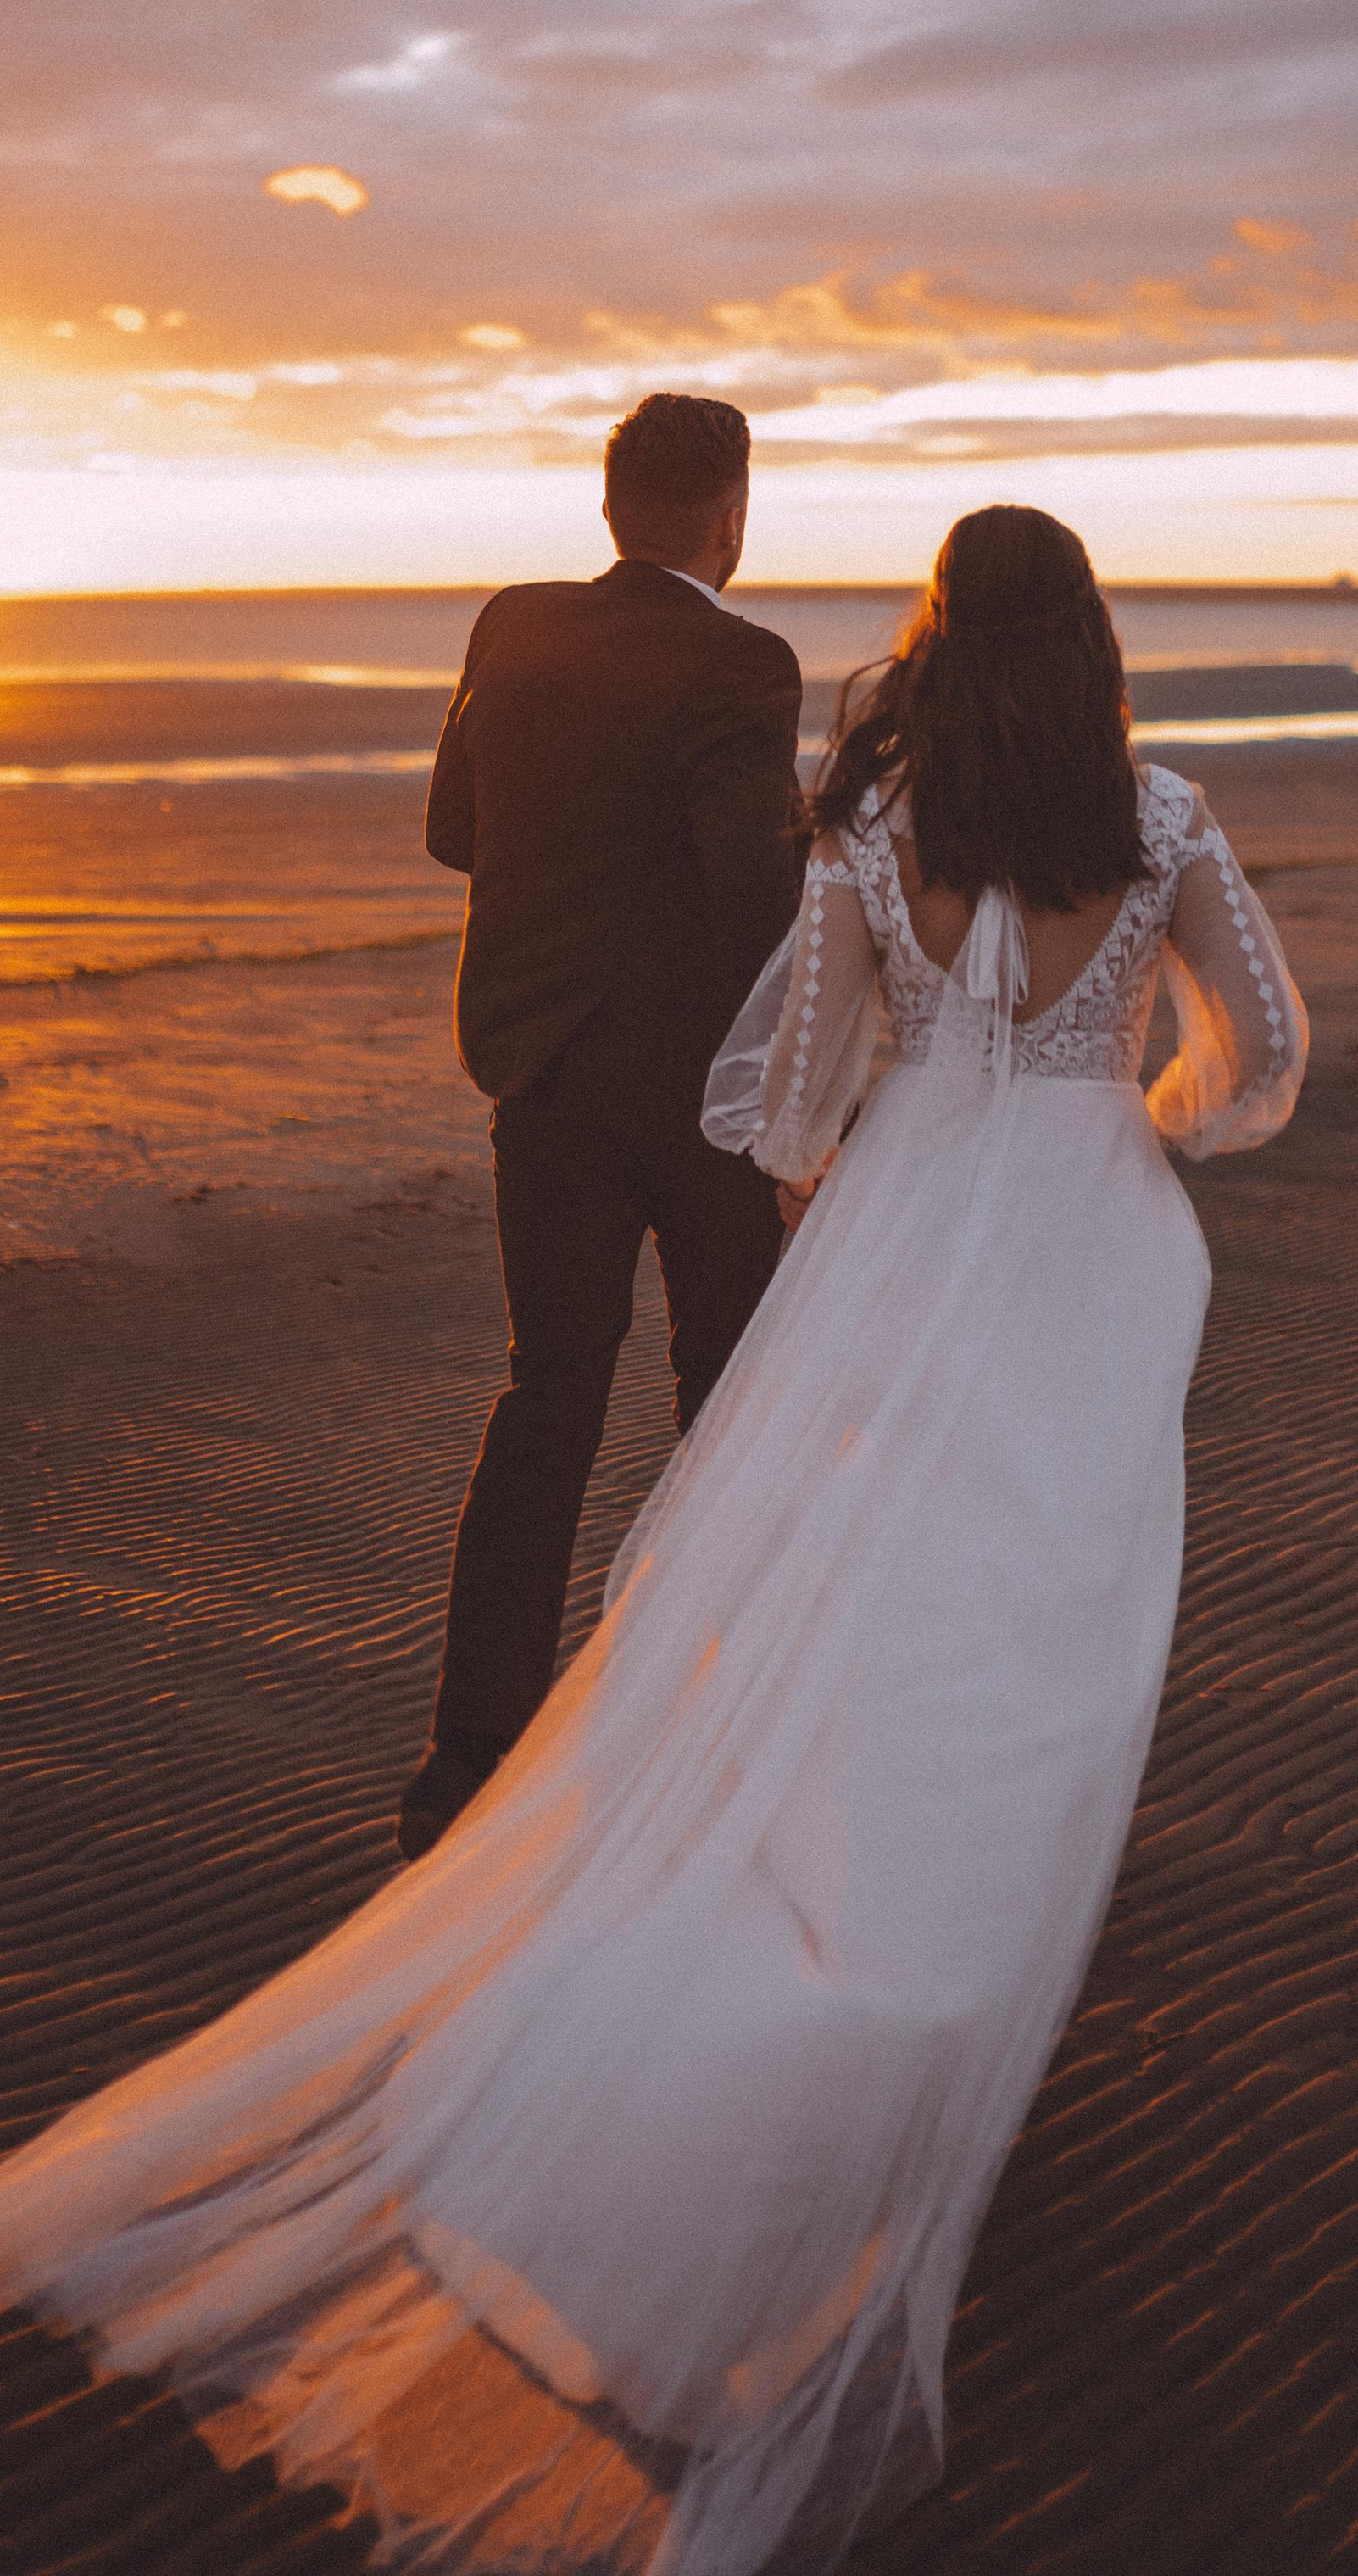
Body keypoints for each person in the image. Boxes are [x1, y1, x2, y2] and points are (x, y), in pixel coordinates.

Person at [0, 504, 1308, 2576]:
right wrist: (1123, 1125)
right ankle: (942, 2007)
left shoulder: (881, 820)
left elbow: (781, 1095)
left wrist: (885, 1155)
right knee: (1032, 1643)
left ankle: (805, 1976)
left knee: (842, 1619)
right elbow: (1262, 1060)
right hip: (1080, 1267)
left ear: (938, 633)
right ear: (1092, 639)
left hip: (900, 1237)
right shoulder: (1162, 813)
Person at [396, 390, 804, 1863]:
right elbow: (757, 896)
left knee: (547, 1402)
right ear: (729, 517)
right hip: (700, 1105)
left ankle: (465, 1763)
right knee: (722, 1409)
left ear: (612, 502)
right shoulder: (746, 661)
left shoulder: (515, 624)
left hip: (547, 1086)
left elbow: (457, 831)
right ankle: (706, 1732)